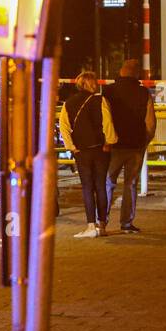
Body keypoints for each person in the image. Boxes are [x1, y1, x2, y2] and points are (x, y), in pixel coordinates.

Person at [58, 70, 118, 239]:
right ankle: (102, 225)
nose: (96, 84)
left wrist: (72, 147)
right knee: (100, 185)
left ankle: (90, 225)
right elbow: (108, 123)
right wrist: (109, 142)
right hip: (101, 149)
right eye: (94, 82)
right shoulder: (100, 100)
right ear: (89, 84)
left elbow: (64, 127)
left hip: (81, 150)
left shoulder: (68, 104)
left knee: (87, 187)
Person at [102, 59, 155, 234]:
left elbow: (104, 118)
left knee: (108, 182)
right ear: (137, 74)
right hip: (136, 146)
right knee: (130, 184)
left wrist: (107, 140)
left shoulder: (108, 91)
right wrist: (145, 141)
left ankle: (101, 221)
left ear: (121, 72)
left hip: (113, 146)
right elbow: (150, 122)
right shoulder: (143, 93)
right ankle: (126, 223)